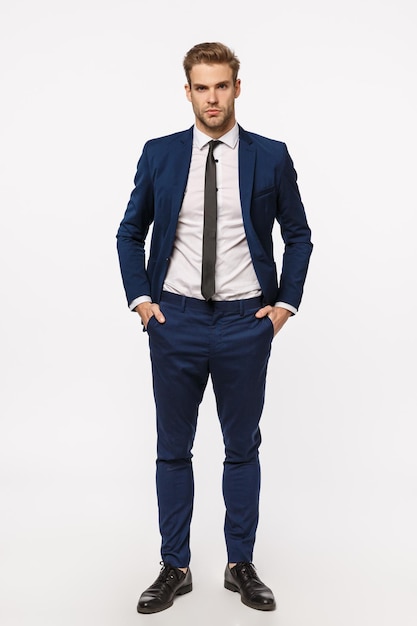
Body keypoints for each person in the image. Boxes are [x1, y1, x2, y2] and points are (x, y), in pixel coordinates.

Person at [116, 41, 313, 614]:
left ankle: (239, 565)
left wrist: (284, 307)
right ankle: (174, 566)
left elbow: (298, 234)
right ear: (187, 92)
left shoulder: (270, 156)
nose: (211, 97)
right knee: (172, 450)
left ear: (237, 88)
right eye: (201, 87)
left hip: (243, 322)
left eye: (220, 86)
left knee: (241, 447)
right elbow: (130, 232)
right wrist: (142, 301)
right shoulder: (160, 154)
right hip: (173, 319)